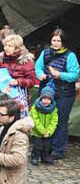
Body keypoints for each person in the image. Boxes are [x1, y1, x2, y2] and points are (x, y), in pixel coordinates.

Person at [35, 29, 79, 160]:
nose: (55, 43)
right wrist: (40, 74)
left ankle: (57, 150)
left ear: (63, 42)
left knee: (60, 121)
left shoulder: (70, 56)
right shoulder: (46, 52)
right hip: (47, 91)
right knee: (46, 118)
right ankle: (45, 147)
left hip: (64, 93)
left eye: (58, 41)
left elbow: (75, 75)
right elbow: (38, 67)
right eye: (54, 40)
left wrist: (60, 75)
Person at [29, 88, 59, 165]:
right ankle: (35, 157)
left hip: (47, 132)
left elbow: (54, 121)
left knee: (47, 146)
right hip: (37, 132)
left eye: (48, 99)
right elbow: (35, 121)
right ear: (41, 98)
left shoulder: (54, 109)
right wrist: (43, 131)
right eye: (44, 98)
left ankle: (45, 157)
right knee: (37, 145)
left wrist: (49, 131)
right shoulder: (35, 108)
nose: (46, 101)